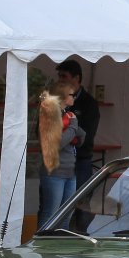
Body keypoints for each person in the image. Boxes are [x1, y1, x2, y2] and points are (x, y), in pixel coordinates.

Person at [55, 59, 102, 189]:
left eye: (64, 76)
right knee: (53, 202)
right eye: (59, 76)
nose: (60, 80)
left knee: (80, 200)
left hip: (79, 162)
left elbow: (86, 136)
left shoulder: (89, 103)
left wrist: (60, 138)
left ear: (76, 78)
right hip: (56, 162)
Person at [37, 85, 80, 226]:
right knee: (50, 214)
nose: (74, 97)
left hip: (69, 171)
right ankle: (43, 240)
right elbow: (56, 144)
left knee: (66, 215)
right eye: (71, 95)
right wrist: (73, 126)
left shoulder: (67, 114)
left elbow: (80, 137)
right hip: (54, 172)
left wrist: (75, 131)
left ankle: (61, 240)